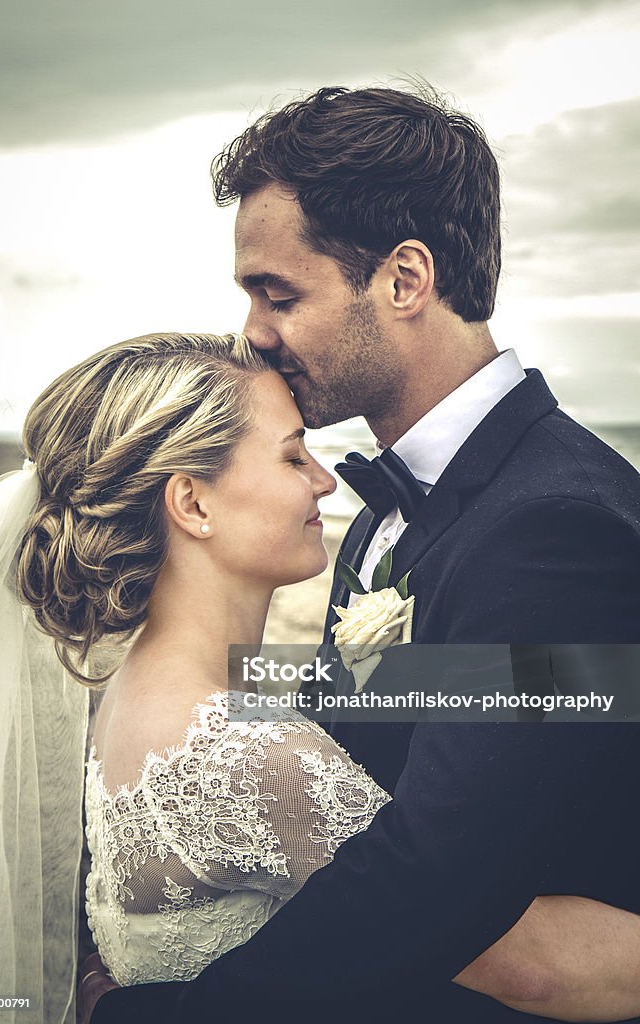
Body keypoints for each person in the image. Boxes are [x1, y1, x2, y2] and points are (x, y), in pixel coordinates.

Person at [88, 87, 640, 1022]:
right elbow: (366, 711)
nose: (254, 333)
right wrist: (181, 716)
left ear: (404, 279)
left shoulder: (551, 527)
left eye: (279, 293)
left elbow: (437, 877)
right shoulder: (399, 504)